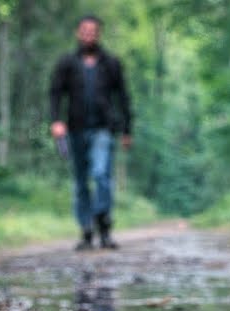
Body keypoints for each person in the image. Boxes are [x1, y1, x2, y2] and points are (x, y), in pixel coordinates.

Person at [49, 14, 132, 251]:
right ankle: (86, 231)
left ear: (99, 34)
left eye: (93, 31)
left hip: (104, 129)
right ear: (78, 33)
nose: (89, 35)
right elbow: (55, 93)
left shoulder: (111, 63)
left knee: (101, 174)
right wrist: (55, 120)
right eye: (85, 31)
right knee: (80, 183)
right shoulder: (67, 62)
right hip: (74, 129)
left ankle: (103, 225)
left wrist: (127, 129)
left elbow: (123, 97)